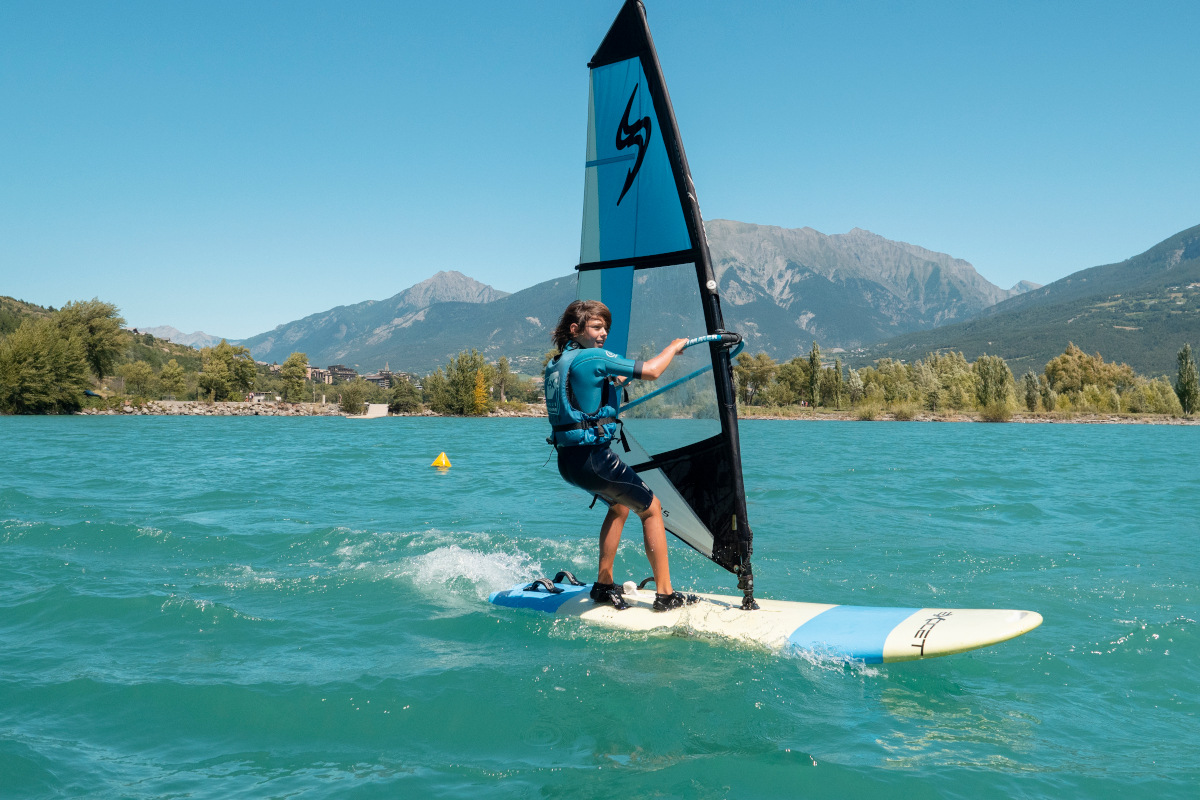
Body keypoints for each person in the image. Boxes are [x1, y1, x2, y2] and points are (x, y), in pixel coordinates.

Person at [545, 299, 699, 612]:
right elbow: (653, 371)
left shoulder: (558, 363)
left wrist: (616, 383)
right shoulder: (594, 357)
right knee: (652, 508)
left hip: (569, 463)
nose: (603, 334)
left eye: (606, 328)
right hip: (594, 460)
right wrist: (672, 347)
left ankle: (603, 585)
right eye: (596, 327)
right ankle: (666, 595)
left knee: (620, 506)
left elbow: (589, 392)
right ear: (576, 329)